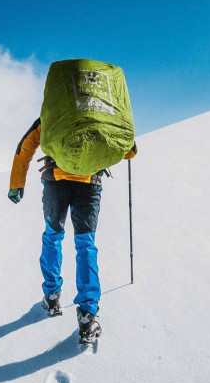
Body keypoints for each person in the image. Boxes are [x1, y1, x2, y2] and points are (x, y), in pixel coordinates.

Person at [8, 117, 137, 342]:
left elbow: (26, 144)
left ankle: (51, 296)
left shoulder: (56, 109)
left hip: (55, 180)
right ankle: (87, 315)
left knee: (52, 237)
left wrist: (16, 183)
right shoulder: (102, 112)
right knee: (85, 245)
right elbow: (129, 150)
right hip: (90, 183)